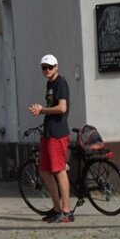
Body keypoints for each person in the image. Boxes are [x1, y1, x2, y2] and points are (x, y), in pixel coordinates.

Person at [29, 54, 73, 223]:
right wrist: (40, 109)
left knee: (59, 170)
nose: (47, 70)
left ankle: (66, 210)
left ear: (57, 67)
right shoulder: (50, 83)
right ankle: (56, 208)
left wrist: (42, 110)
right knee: (44, 171)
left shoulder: (61, 83)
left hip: (58, 133)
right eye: (44, 67)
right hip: (48, 132)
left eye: (50, 67)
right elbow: (50, 106)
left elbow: (62, 108)